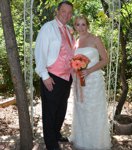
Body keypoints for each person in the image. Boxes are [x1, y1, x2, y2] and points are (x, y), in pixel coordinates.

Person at [34, 1, 75, 150]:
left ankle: (56, 134)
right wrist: (44, 76)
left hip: (66, 78)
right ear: (57, 12)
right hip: (52, 76)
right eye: (63, 11)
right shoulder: (48, 28)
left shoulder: (69, 30)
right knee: (50, 112)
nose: (67, 15)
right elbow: (40, 52)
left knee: (61, 109)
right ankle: (51, 143)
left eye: (69, 13)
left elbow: (71, 53)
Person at [69, 15, 112, 150]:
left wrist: (89, 71)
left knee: (94, 110)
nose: (81, 28)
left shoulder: (95, 39)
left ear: (87, 25)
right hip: (79, 81)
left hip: (93, 80)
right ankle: (82, 141)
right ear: (75, 27)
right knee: (81, 109)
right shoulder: (75, 42)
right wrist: (75, 73)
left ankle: (96, 143)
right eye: (78, 25)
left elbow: (105, 60)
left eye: (83, 24)